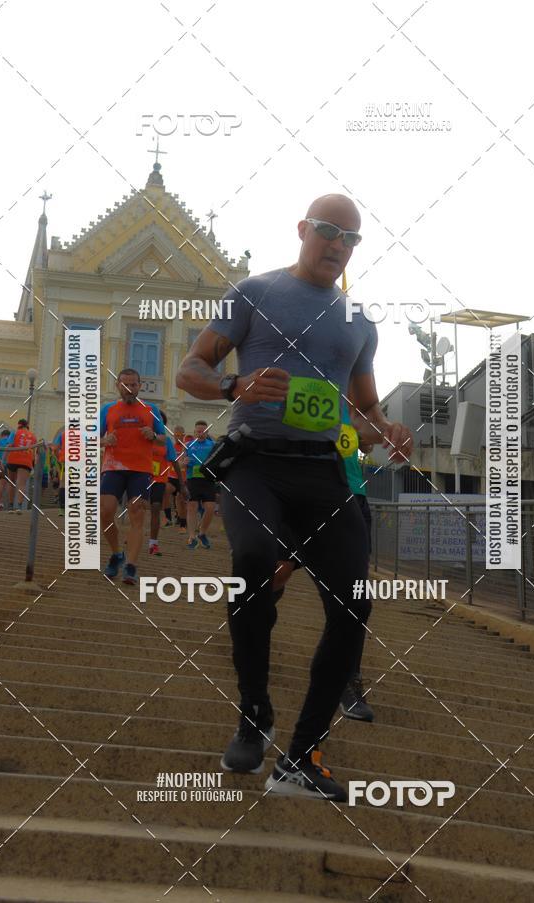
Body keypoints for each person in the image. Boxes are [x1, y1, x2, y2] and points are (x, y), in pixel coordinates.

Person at [177, 193, 413, 800]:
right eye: (329, 230)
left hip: (326, 472)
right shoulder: (254, 292)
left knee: (354, 606)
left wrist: (387, 431)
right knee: (255, 562)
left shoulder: (359, 320)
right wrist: (234, 384)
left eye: (351, 237)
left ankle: (301, 756)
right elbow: (191, 369)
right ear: (303, 229)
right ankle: (253, 712)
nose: (338, 244)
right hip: (256, 462)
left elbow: (364, 409)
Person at [274, 402, 376, 723]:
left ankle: (347, 679)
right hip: (303, 498)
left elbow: (367, 442)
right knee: (277, 574)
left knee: (355, 597)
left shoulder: (356, 404)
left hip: (353, 499)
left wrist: (384, 433)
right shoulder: (299, 387)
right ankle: (254, 620)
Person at [100, 368, 166, 585]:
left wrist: (153, 435)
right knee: (105, 511)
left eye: (133, 385)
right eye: (125, 384)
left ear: (140, 386)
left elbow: (163, 439)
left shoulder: (151, 409)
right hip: (113, 467)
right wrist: (104, 440)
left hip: (140, 469)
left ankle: (131, 565)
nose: (129, 389)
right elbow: (91, 438)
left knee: (137, 513)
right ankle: (117, 553)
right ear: (118, 386)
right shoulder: (107, 409)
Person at [149, 411, 186, 556]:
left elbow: (174, 462)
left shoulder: (167, 442)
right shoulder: (143, 437)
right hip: (141, 477)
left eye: (160, 422)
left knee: (155, 507)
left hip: (159, 479)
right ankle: (134, 534)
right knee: (137, 507)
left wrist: (182, 484)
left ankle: (153, 543)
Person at [184, 420, 216, 550]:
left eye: (203, 432)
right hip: (193, 479)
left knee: (210, 508)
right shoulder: (188, 445)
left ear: (207, 432)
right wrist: (184, 462)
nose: (200, 434)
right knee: (192, 507)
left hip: (208, 479)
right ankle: (192, 537)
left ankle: (202, 533)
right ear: (194, 432)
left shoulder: (213, 445)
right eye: (198, 431)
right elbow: (179, 463)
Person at [6, 419, 38, 513]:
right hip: (26, 461)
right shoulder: (33, 436)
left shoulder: (14, 432)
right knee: (22, 484)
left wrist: (4, 459)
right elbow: (34, 452)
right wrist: (33, 465)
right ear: (27, 426)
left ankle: (10, 505)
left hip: (13, 459)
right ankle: (19, 506)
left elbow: (10, 445)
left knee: (11, 482)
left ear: (18, 425)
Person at [164, 423, 187, 530]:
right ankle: (168, 518)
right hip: (172, 477)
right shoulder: (171, 447)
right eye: (175, 435)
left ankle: (182, 522)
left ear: (183, 435)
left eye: (179, 435)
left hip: (183, 478)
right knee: (165, 491)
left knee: (180, 499)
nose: (177, 437)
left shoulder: (186, 447)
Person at [0, 429, 12, 510]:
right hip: (4, 465)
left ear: (2, 435)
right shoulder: (9, 442)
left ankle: (0, 503)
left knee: (1, 484)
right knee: (3, 483)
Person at [50, 427, 66, 516]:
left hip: (65, 460)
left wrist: (58, 458)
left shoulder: (62, 435)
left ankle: (62, 509)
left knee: (63, 484)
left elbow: (55, 449)